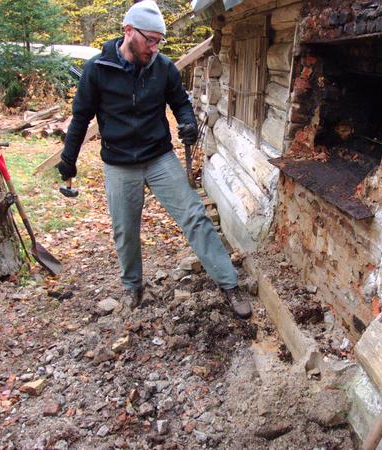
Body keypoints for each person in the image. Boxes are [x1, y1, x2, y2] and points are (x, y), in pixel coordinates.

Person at [57, 0, 251, 319]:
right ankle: (133, 287)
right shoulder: (97, 69)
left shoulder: (163, 67)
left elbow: (180, 103)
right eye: (150, 39)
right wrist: (68, 160)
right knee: (126, 230)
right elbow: (80, 118)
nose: (155, 47)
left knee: (194, 215)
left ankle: (229, 284)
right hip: (119, 162)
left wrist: (187, 122)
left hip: (159, 157)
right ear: (128, 31)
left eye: (159, 41)